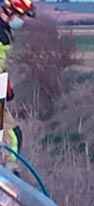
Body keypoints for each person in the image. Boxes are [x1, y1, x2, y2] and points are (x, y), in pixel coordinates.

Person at [0, 0, 34, 171]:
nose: (21, 20)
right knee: (13, 136)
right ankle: (9, 176)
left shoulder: (4, 31)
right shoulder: (1, 33)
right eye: (20, 15)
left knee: (14, 135)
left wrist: (6, 84)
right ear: (7, 10)